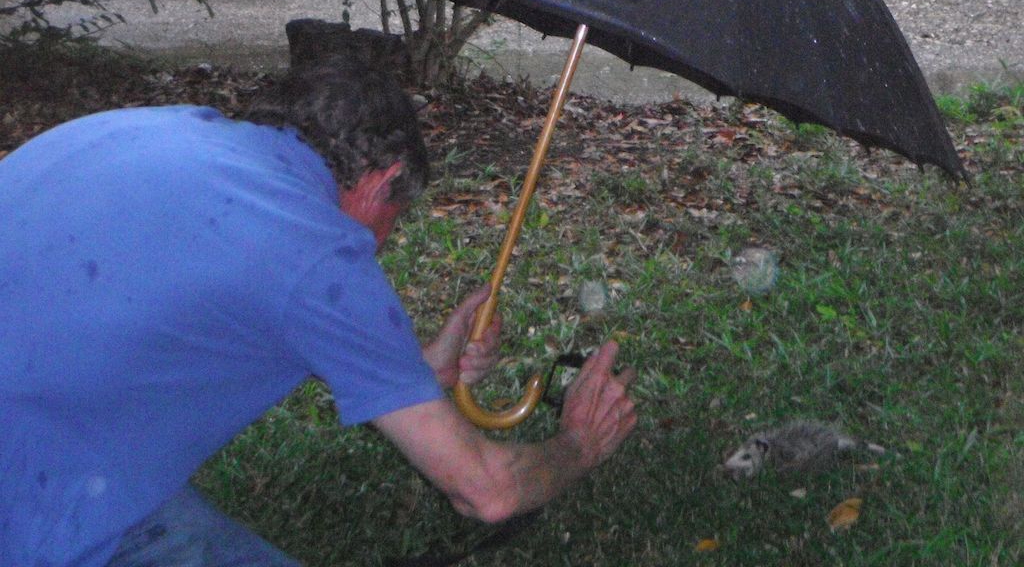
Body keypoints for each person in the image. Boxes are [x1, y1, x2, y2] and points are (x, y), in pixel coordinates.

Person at [0, 55, 637, 567]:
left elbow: (181, 305)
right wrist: (578, 445)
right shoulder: (315, 250)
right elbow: (487, 491)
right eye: (395, 217)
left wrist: (418, 371)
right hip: (36, 501)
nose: (381, 244)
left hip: (49, 434)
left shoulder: (148, 128)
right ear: (382, 181)